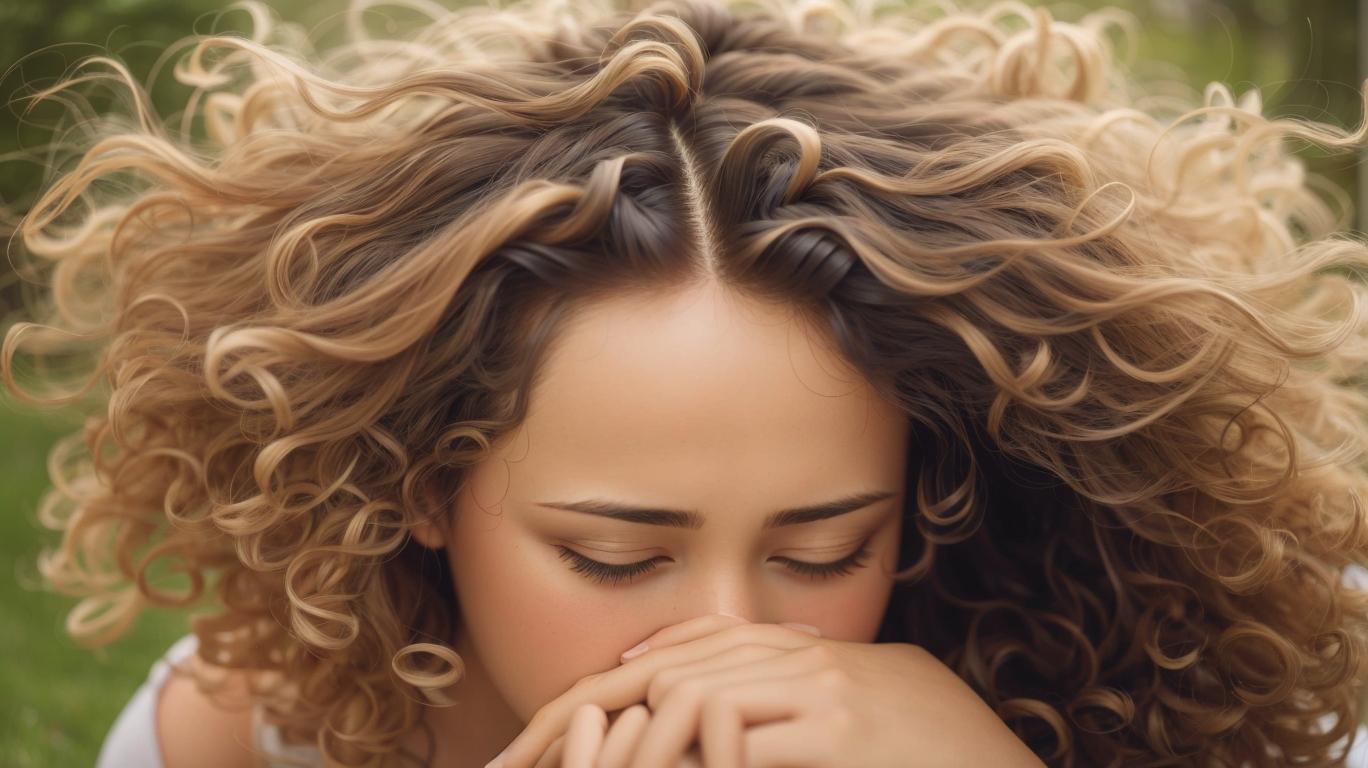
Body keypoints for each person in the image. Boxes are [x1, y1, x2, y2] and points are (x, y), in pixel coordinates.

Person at [6, 0, 1368, 765]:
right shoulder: (248, 738)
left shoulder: (1228, 681)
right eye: (612, 557)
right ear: (421, 489)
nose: (725, 639)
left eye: (829, 546)